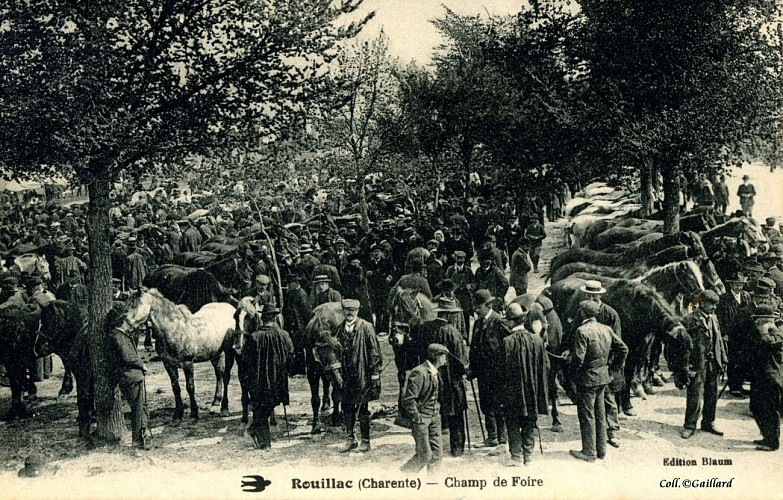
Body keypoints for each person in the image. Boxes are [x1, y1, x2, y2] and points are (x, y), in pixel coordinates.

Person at [568, 300, 628, 462]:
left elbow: (579, 358)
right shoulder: (606, 329)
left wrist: (572, 374)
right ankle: (601, 450)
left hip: (587, 380)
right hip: (603, 378)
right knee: (600, 415)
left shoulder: (582, 331)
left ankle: (589, 452)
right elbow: (623, 349)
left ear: (583, 313)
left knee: (587, 415)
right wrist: (612, 368)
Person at [240, 304, 294, 449]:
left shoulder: (254, 337)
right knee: (270, 403)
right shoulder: (284, 335)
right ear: (275, 318)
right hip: (278, 378)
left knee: (260, 406)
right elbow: (291, 354)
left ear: (262, 319)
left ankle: (262, 440)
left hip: (260, 379)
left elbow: (245, 360)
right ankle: (259, 436)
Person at [502, 303, 549, 465]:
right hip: (533, 389)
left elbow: (501, 370)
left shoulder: (506, 342)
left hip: (512, 390)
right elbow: (546, 366)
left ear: (510, 322)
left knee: (513, 421)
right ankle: (528, 456)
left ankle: (516, 456)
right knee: (530, 420)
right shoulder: (537, 340)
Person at [336, 299, 382, 453]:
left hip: (362, 374)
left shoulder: (366, 327)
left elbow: (374, 352)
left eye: (353, 311)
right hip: (346, 375)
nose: (350, 314)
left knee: (363, 408)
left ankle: (366, 441)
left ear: (357, 311)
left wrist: (375, 373)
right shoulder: (340, 329)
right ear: (343, 312)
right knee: (346, 407)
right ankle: (351, 439)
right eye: (347, 311)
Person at [105, 302, 153, 450]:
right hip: (130, 376)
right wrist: (142, 365)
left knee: (142, 406)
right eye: (128, 320)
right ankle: (138, 441)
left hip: (131, 376)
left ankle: (146, 432)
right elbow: (128, 357)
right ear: (122, 321)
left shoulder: (118, 335)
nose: (131, 322)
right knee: (138, 409)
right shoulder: (118, 336)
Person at [681, 290, 726, 439]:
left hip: (713, 363)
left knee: (712, 393)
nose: (714, 308)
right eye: (711, 304)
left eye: (715, 305)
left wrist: (723, 359)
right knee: (695, 394)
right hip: (697, 363)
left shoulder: (714, 319)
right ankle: (689, 425)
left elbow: (718, 339)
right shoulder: (688, 320)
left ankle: (708, 422)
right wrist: (685, 366)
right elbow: (682, 346)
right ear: (702, 303)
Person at [400, 343, 450, 473]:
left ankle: (431, 485)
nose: (445, 359)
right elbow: (409, 400)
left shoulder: (435, 371)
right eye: (444, 356)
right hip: (422, 418)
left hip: (435, 417)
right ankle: (404, 474)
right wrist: (417, 417)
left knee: (437, 455)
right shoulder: (419, 372)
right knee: (425, 455)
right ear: (438, 357)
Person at [469, 289, 508, 447]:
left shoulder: (499, 321)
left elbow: (508, 346)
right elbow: (474, 348)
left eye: (479, 307)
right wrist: (472, 368)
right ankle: (492, 437)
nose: (476, 310)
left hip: (498, 373)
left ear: (488, 305)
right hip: (483, 373)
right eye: (475, 307)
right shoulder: (478, 323)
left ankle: (502, 437)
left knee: (498, 405)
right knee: (486, 405)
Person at [748, 305, 783, 451]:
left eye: (758, 320)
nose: (755, 323)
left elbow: (770, 343)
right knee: (756, 406)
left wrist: (763, 333)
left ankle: (772, 442)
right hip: (759, 377)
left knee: (769, 410)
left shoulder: (777, 333)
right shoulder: (758, 332)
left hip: (771, 378)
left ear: (767, 320)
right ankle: (766, 436)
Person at [717, 273, 751, 397]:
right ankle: (734, 386)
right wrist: (724, 333)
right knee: (733, 360)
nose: (739, 287)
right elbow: (720, 318)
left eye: (741, 285)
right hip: (731, 334)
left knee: (743, 360)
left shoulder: (746, 296)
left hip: (744, 333)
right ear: (731, 284)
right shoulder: (724, 299)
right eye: (736, 285)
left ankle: (740, 385)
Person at [365, 244, 395, 334]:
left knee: (385, 308)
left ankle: (385, 328)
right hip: (374, 288)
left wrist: (390, 276)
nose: (376, 253)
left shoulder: (387, 262)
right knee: (377, 309)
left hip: (384, 288)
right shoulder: (369, 263)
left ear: (382, 253)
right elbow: (364, 271)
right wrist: (367, 273)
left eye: (378, 252)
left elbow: (393, 271)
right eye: (375, 252)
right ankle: (378, 329)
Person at [445, 251, 474, 334]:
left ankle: (466, 336)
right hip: (455, 297)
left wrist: (470, 286)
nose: (460, 260)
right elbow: (446, 282)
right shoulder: (450, 270)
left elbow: (474, 283)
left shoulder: (468, 270)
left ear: (464, 259)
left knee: (466, 318)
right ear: (455, 258)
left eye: (462, 258)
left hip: (465, 297)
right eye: (458, 258)